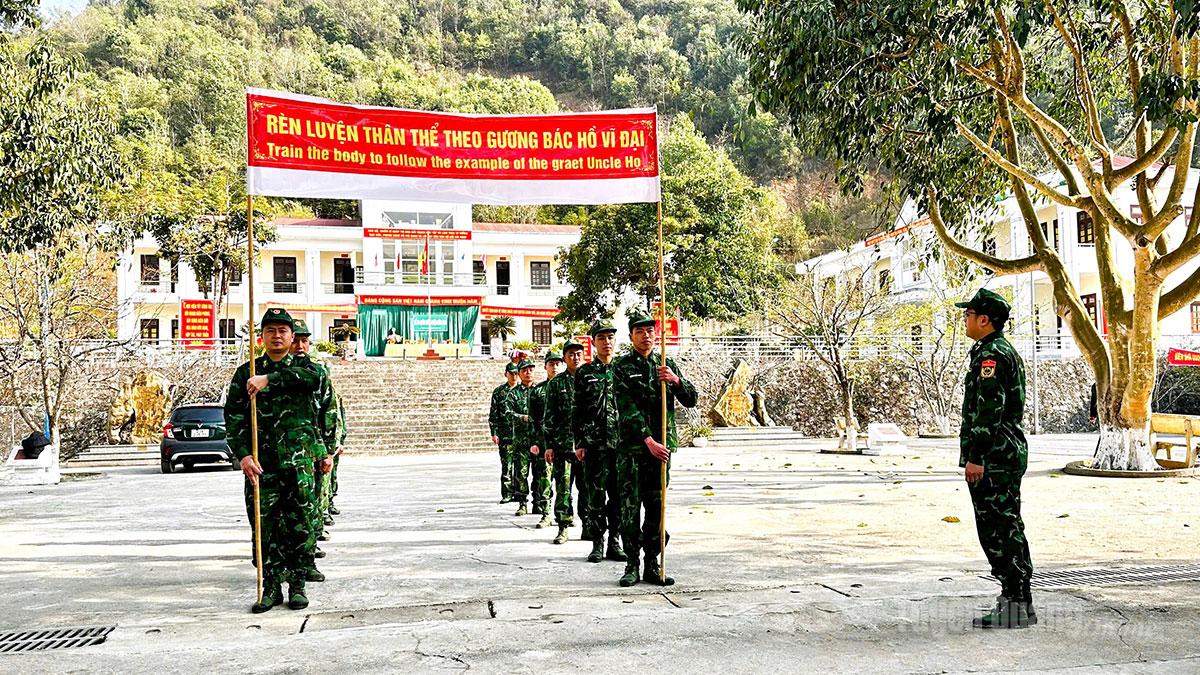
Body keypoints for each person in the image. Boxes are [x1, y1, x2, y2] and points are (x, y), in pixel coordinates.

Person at [224, 308, 325, 613]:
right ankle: (269, 587)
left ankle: (297, 585)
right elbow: (233, 418)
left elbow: (314, 379)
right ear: (261, 337)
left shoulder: (306, 368)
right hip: (262, 464)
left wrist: (270, 379)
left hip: (298, 463)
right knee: (264, 527)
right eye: (271, 331)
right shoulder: (245, 373)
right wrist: (242, 455)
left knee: (300, 525)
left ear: (293, 337)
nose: (277, 336)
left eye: (283, 330)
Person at [955, 288, 1035, 629]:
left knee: (999, 529)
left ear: (984, 320)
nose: (965, 320)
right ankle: (1017, 601)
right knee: (1006, 526)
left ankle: (1015, 603)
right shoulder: (992, 351)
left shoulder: (992, 356)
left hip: (995, 456)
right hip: (1001, 453)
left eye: (969, 315)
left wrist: (976, 457)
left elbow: (989, 410)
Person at [612, 311, 698, 587]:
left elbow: (691, 399)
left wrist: (674, 380)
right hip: (634, 450)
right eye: (640, 331)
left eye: (650, 330)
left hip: (661, 453)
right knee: (629, 508)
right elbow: (626, 409)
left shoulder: (666, 363)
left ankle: (652, 562)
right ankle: (631, 564)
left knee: (656, 507)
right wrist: (648, 440)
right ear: (631, 336)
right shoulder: (621, 367)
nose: (646, 335)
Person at [574, 319, 626, 564]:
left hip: (621, 444)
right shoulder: (585, 373)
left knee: (618, 496)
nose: (607, 342)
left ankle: (615, 541)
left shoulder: (624, 368)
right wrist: (579, 442)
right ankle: (597, 542)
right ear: (593, 342)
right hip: (594, 445)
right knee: (595, 496)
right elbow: (578, 410)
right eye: (602, 338)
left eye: (611, 338)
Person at [290, 320, 340, 568]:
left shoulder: (318, 373)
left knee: (311, 505)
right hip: (280, 453)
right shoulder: (269, 372)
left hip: (313, 451)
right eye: (296, 340)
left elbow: (330, 412)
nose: (300, 345)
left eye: (305, 341)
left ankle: (307, 558)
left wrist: (330, 449)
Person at [543, 339, 587, 545]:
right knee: (563, 487)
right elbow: (549, 416)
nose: (575, 357)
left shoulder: (591, 378)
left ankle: (589, 525)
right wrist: (549, 445)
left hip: (588, 444)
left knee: (588, 487)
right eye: (571, 354)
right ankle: (563, 526)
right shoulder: (556, 383)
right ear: (564, 358)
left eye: (578, 354)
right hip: (563, 445)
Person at [528, 351, 562, 529]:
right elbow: (533, 418)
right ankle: (546, 513)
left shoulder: (569, 385)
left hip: (565, 442)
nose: (555, 367)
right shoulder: (538, 390)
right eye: (551, 364)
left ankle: (566, 515)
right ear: (545, 366)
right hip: (543, 442)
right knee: (545, 478)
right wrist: (534, 441)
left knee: (565, 480)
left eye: (558, 363)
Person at [505, 360, 537, 516]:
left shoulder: (541, 390)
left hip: (538, 440)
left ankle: (539, 503)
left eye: (530, 369)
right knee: (521, 474)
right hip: (521, 441)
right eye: (524, 370)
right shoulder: (513, 393)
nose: (528, 372)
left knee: (540, 473)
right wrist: (522, 418)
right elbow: (508, 413)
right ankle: (522, 503)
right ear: (519, 373)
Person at [489, 363, 520, 503]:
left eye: (515, 373)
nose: (514, 376)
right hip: (505, 434)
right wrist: (494, 433)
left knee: (521, 467)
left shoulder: (523, 390)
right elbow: (493, 414)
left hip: (521, 435)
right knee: (507, 466)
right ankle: (507, 493)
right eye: (511, 373)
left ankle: (519, 493)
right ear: (505, 374)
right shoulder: (499, 392)